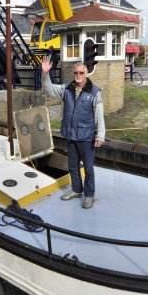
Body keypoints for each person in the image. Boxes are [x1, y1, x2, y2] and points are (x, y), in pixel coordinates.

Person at [40, 56, 105, 209]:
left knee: (88, 168)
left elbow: (99, 115)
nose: (78, 75)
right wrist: (45, 74)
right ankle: (76, 190)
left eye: (81, 73)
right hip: (71, 136)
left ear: (86, 73)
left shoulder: (94, 92)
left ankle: (89, 195)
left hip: (86, 137)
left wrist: (100, 136)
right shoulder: (66, 89)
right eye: (76, 73)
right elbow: (49, 89)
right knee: (73, 166)